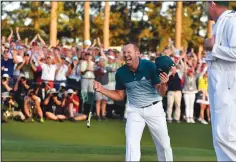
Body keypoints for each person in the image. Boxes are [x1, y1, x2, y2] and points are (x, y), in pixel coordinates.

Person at [94, 43, 173, 161]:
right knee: (131, 144)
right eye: (124, 52)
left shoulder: (150, 66)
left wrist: (163, 84)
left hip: (154, 109)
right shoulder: (121, 72)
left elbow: (161, 93)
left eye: (129, 52)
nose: (126, 55)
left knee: (164, 145)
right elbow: (120, 96)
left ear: (137, 54)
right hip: (135, 110)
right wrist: (101, 89)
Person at [204, 1, 236, 161]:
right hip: (218, 85)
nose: (205, 8)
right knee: (218, 138)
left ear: (212, 3)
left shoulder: (232, 21)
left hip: (229, 86)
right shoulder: (219, 24)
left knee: (225, 136)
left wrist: (213, 48)